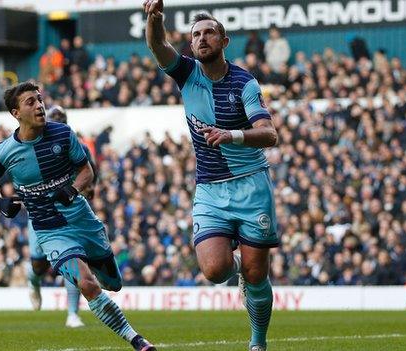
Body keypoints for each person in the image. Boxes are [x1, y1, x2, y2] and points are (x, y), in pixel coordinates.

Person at [143, 2, 279, 350]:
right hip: (210, 190)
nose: (202, 39)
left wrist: (230, 134)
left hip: (251, 186)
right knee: (215, 270)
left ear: (224, 41)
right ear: (190, 44)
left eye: (209, 33)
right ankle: (239, 267)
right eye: (196, 35)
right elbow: (158, 47)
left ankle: (258, 341)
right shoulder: (186, 73)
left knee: (256, 275)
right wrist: (154, 20)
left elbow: (269, 134)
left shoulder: (244, 82)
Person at [0, 81, 156, 351]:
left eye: (39, 99)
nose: (39, 105)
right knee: (87, 283)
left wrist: (74, 188)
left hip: (82, 220)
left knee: (114, 284)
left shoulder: (63, 134)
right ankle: (137, 341)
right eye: (31, 102)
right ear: (16, 113)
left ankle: (87, 287)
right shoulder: (3, 151)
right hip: (50, 230)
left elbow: (86, 170)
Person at [25, 105, 98, 328]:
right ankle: (33, 281)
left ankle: (72, 314)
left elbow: (90, 182)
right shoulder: (31, 147)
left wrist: (78, 191)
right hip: (40, 213)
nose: (57, 122)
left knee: (72, 259)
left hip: (70, 213)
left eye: (61, 119)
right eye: (53, 118)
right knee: (39, 264)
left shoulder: (78, 147)